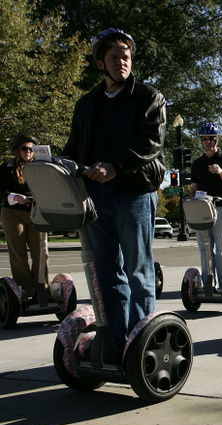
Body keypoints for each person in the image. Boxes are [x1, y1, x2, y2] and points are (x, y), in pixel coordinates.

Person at [61, 28, 166, 356]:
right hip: (95, 198)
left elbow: (151, 142)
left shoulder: (148, 97)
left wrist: (115, 166)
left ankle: (140, 344)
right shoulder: (87, 104)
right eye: (114, 57)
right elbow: (75, 147)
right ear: (100, 64)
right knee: (105, 272)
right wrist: (56, 164)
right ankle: (117, 343)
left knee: (137, 270)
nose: (122, 62)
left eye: (126, 56)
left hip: (134, 193)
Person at [189, 123, 222, 294]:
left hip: (221, 207)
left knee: (221, 246)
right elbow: (194, 186)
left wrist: (221, 172)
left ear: (217, 139)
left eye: (211, 138)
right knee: (205, 247)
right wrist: (190, 202)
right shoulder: (197, 163)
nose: (208, 142)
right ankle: (208, 282)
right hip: (202, 209)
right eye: (205, 139)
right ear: (201, 141)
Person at [0, 134, 48, 302]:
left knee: (41, 252)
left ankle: (42, 289)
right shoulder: (6, 168)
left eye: (31, 149)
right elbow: (1, 191)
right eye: (24, 148)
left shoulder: (38, 167)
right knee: (19, 254)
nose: (28, 152)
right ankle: (26, 292)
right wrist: (14, 196)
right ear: (16, 150)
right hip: (13, 213)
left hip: (36, 213)